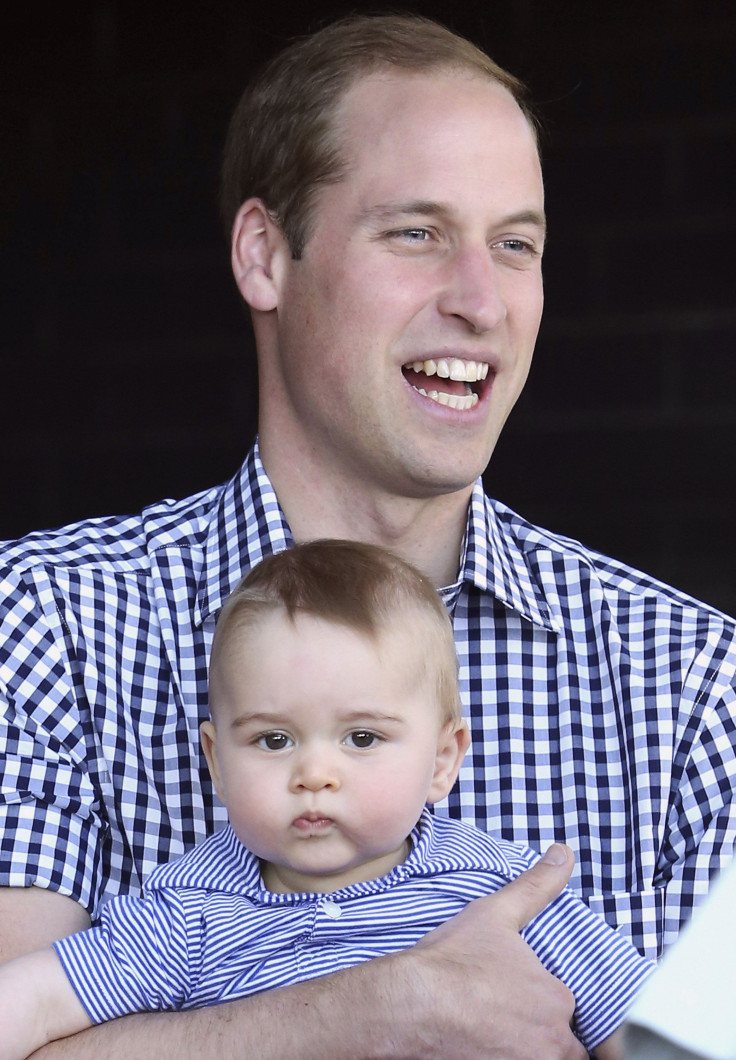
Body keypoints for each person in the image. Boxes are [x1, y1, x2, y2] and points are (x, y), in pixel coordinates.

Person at [0, 12, 734, 1059]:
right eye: (415, 232)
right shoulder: (48, 626)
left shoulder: (693, 686)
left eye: (515, 245)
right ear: (265, 256)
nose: (481, 301)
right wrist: (364, 1012)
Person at [0, 540, 653, 1059]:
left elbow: (644, 1030)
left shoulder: (506, 891)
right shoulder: (186, 915)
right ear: (216, 762)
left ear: (442, 761)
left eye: (361, 737)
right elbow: (33, 1001)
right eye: (274, 738)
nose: (314, 772)